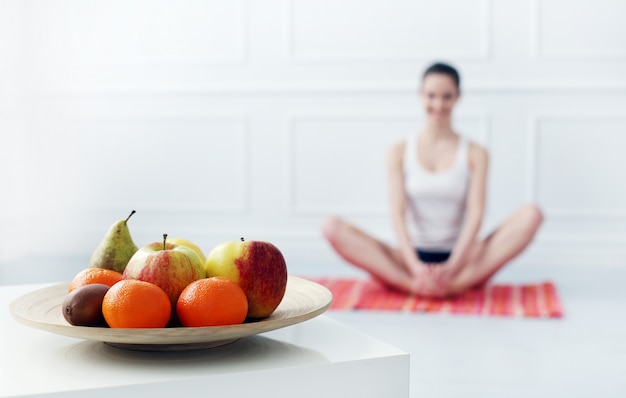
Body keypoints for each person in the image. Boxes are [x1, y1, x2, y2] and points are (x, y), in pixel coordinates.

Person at [321, 62, 543, 298]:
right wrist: (415, 266)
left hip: (464, 258)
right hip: (409, 258)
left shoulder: (476, 153)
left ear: (458, 97)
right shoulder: (398, 151)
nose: (438, 104)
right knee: (331, 226)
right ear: (420, 96)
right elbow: (398, 214)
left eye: (447, 96)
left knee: (532, 215)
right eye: (431, 96)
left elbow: (476, 214)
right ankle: (413, 284)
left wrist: (453, 266)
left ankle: (455, 283)